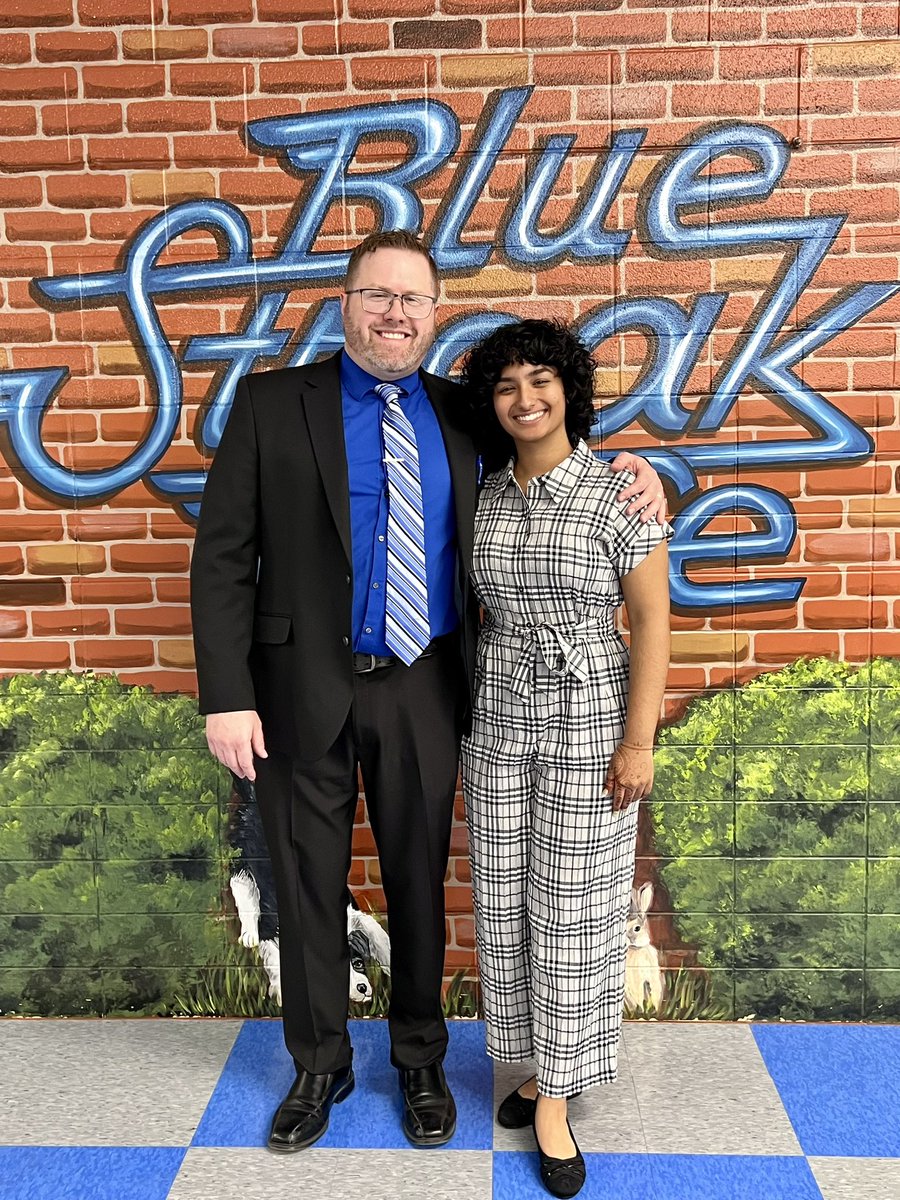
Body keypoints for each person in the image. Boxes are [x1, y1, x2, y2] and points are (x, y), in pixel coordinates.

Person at [189, 232, 667, 1155]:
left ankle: (418, 1058)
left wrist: (640, 472)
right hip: (295, 691)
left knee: (418, 880)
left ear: (432, 312)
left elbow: (553, 451)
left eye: (413, 298)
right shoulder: (268, 402)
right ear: (345, 303)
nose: (395, 313)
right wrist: (226, 695)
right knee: (307, 881)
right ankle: (317, 1064)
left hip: (427, 685)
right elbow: (221, 560)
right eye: (377, 295)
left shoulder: (466, 411)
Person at [460, 319, 671, 1198]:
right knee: (506, 898)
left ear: (570, 391)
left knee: (577, 911)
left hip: (590, 720)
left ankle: (559, 1097)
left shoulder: (619, 493)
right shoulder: (486, 492)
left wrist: (638, 740)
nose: (525, 399)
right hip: (501, 712)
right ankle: (536, 1064)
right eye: (507, 385)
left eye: (540, 381)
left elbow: (653, 620)